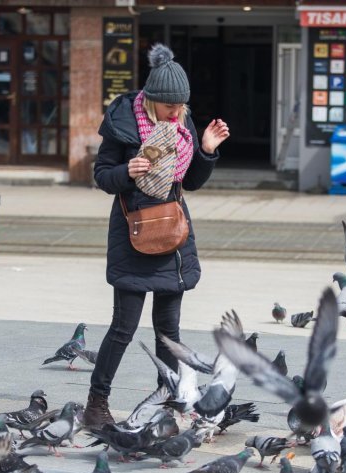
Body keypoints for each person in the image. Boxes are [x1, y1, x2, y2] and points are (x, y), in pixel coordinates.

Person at [84, 43, 230, 427]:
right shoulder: (123, 124)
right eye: (171, 108)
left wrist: (206, 150)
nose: (178, 114)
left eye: (182, 107)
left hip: (173, 235)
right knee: (123, 328)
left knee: (169, 331)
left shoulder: (182, 125)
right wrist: (126, 171)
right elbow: (102, 176)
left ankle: (166, 402)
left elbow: (191, 183)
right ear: (152, 100)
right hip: (133, 233)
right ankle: (96, 405)